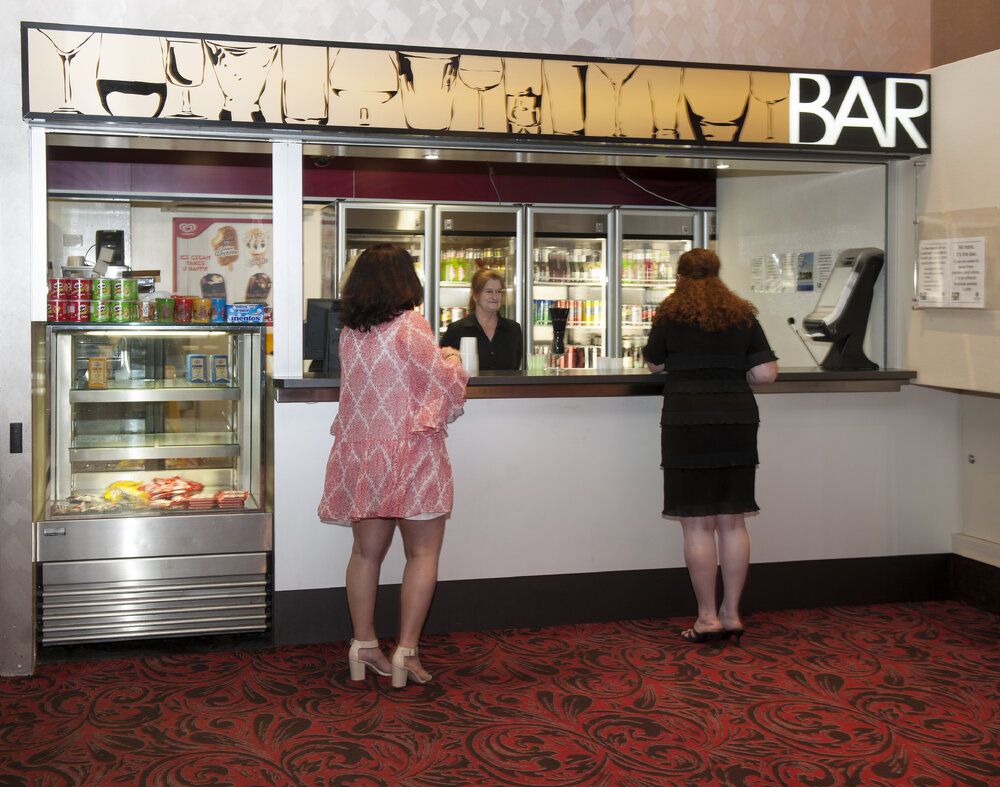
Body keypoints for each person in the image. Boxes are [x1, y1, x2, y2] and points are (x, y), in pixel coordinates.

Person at [318, 243, 469, 687]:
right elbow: (441, 383)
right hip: (412, 452)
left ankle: (363, 645)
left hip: (362, 452)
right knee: (422, 554)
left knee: (365, 554)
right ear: (406, 280)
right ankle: (406, 652)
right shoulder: (411, 325)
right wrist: (454, 361)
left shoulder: (350, 333)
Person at [642, 248, 777, 646]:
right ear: (718, 274)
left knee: (697, 522)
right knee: (732, 521)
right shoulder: (741, 314)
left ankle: (706, 618)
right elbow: (766, 373)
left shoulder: (670, 315)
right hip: (736, 419)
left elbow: (654, 364)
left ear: (680, 277)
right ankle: (732, 614)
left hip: (686, 419)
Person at [440, 268, 522, 370]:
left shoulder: (513, 329)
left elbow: (515, 369)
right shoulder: (457, 330)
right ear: (475, 295)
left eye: (499, 291)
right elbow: (443, 370)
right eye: (489, 291)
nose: (495, 296)